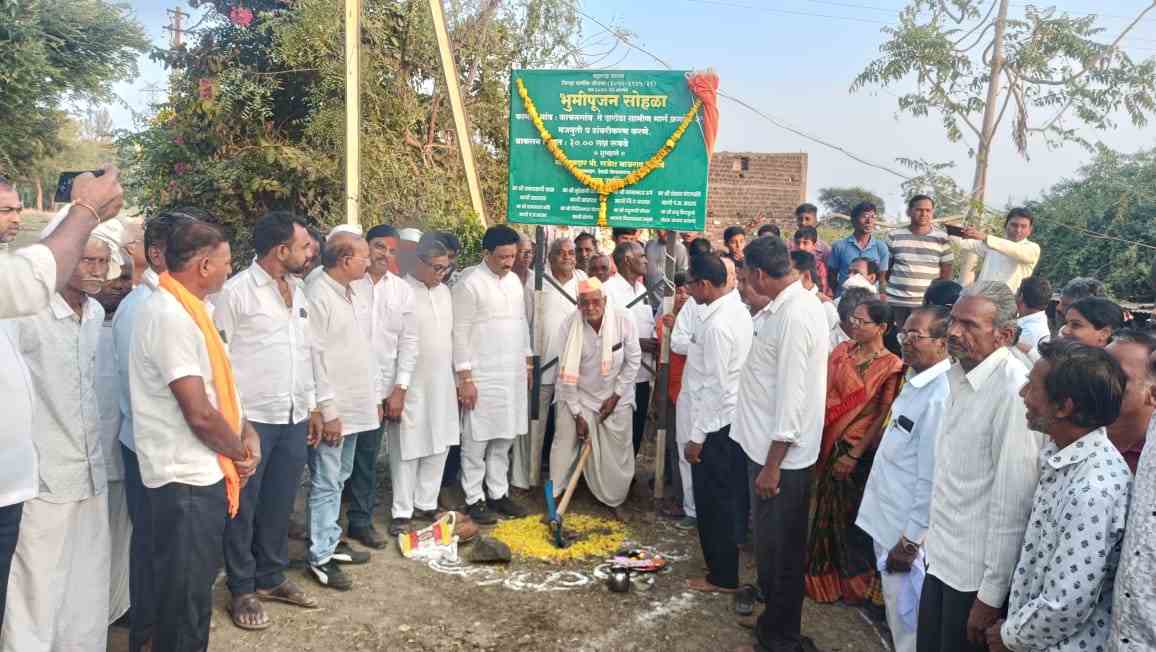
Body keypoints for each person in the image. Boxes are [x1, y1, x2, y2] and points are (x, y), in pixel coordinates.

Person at [129, 220, 260, 651]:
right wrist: (239, 451)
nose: (230, 269)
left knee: (190, 591)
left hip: (202, 472)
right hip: (183, 479)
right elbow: (200, 414)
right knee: (184, 601)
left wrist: (246, 430)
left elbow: (220, 390)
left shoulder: (194, 309)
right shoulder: (169, 315)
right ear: (204, 265)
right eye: (226, 262)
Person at [0, 169, 122, 629]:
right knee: (34, 593)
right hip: (40, 478)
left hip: (89, 470)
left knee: (85, 585)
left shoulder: (95, 314)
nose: (95, 270)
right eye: (85, 259)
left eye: (102, 262)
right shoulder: (24, 314)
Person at [917, 281, 1041, 652]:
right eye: (953, 321)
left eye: (969, 325)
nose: (954, 332)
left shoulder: (1013, 391)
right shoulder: (958, 375)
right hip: (940, 558)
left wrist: (990, 596)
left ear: (1004, 335)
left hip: (974, 580)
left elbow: (1013, 505)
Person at [212, 212, 321, 629]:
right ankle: (242, 588)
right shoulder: (236, 293)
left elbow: (306, 353)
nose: (310, 252)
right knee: (243, 508)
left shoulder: (298, 290)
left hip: (293, 414)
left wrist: (311, 406)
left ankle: (271, 577)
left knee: (280, 502)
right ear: (281, 250)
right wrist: (237, 422)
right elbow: (219, 362)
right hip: (251, 421)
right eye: (304, 246)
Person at [985, 339, 1129, 652]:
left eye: (1032, 387)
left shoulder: (1093, 489)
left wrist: (1010, 636)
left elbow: (1065, 603)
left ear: (1064, 407)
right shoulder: (1061, 455)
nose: (1022, 394)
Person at [730, 236, 830, 651]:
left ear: (757, 273)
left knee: (783, 553)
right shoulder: (783, 307)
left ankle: (782, 638)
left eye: (744, 276)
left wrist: (773, 465)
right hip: (767, 452)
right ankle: (773, 626)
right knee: (771, 551)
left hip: (782, 461)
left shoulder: (795, 315)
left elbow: (793, 397)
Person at [111, 209, 199, 652]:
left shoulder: (183, 303)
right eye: (192, 249)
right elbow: (141, 396)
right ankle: (146, 636)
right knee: (154, 551)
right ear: (159, 254)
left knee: (173, 555)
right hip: (153, 451)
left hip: (177, 450)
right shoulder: (144, 307)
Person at [856, 305, 952, 652]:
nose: (906, 342)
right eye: (904, 334)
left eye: (916, 336)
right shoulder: (915, 381)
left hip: (905, 535)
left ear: (942, 343)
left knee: (910, 625)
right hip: (888, 521)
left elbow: (932, 477)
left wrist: (911, 541)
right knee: (898, 619)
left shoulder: (940, 396)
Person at [805, 298, 903, 604]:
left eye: (862, 321)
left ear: (882, 328)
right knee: (820, 510)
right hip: (824, 437)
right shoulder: (842, 351)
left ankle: (843, 582)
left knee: (841, 517)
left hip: (852, 449)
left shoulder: (891, 366)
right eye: (853, 319)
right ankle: (817, 575)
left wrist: (854, 454)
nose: (854, 325)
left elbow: (882, 414)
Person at [304, 232, 380, 590]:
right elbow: (314, 357)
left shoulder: (354, 290)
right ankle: (319, 556)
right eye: (364, 256)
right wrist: (327, 409)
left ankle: (331, 541)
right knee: (326, 478)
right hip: (334, 408)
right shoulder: (318, 293)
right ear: (345, 260)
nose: (370, 261)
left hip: (356, 403)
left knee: (341, 475)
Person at [681, 254, 754, 594]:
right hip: (727, 421)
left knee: (714, 501)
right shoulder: (733, 310)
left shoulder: (717, 325)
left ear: (705, 285)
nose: (688, 290)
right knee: (726, 497)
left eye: (691, 284)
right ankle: (724, 564)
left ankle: (722, 575)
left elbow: (716, 387)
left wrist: (697, 437)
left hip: (716, 426)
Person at [453, 225, 532, 524]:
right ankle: (474, 498)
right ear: (486, 253)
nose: (509, 262)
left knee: (504, 437)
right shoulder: (469, 284)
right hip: (481, 376)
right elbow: (459, 334)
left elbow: (522, 324)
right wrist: (465, 378)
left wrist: (527, 364)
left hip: (511, 374)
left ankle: (498, 493)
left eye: (513, 256)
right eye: (502, 257)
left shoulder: (514, 282)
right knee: (477, 441)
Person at [348, 224, 418, 542]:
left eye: (392, 251)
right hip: (345, 388)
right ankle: (325, 527)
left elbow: (409, 342)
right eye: (379, 247)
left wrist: (399, 388)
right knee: (333, 463)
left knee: (367, 457)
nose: (385, 255)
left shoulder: (402, 291)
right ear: (366, 247)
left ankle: (360, 521)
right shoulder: (348, 284)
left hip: (381, 390)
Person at [551, 277, 642, 515]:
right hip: (578, 395)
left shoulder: (624, 319)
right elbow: (566, 375)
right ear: (578, 304)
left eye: (595, 301)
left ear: (605, 300)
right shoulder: (568, 326)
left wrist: (616, 396)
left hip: (616, 395)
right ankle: (555, 498)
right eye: (585, 303)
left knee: (618, 450)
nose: (590, 307)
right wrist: (577, 414)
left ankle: (615, 499)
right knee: (563, 443)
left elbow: (633, 361)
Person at [391, 237, 460, 531]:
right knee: (407, 447)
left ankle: (426, 503)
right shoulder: (400, 291)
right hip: (410, 383)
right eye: (436, 268)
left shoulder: (445, 292)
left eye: (445, 268)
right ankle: (402, 511)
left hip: (442, 381)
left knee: (439, 443)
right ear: (419, 263)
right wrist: (397, 387)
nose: (441, 274)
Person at [515, 237, 587, 491]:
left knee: (566, 428)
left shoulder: (582, 280)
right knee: (534, 423)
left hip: (571, 368)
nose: (567, 257)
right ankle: (526, 477)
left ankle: (561, 481)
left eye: (571, 253)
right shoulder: (537, 280)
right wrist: (527, 362)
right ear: (550, 256)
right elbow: (523, 322)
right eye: (561, 252)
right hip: (541, 363)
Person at [94, 246, 133, 627]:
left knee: (120, 534)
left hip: (121, 454)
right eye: (113, 277)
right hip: (78, 461)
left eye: (125, 278)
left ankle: (117, 607)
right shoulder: (78, 321)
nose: (120, 285)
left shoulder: (133, 320)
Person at [603, 241, 658, 456]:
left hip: (642, 374)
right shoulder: (609, 290)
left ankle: (629, 470)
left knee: (636, 430)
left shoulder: (642, 289)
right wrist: (637, 343)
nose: (646, 260)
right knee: (616, 432)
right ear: (627, 260)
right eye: (641, 256)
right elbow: (603, 330)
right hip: (619, 375)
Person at [884, 195, 953, 329]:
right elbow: (886, 269)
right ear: (909, 212)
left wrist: (935, 300)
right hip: (896, 302)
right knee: (895, 337)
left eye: (928, 210)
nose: (924, 214)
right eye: (919, 210)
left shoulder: (942, 238)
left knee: (919, 337)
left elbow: (946, 273)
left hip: (926, 305)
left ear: (932, 212)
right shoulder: (894, 236)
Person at [1104, 329, 1155, 473]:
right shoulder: (1068, 432)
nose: (1098, 379)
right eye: (1097, 368)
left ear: (1153, 394)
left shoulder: (1151, 456)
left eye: (1117, 376)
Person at [953, 207, 1040, 291]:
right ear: (1005, 225)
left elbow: (1017, 251)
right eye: (1014, 225)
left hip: (1009, 300)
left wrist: (986, 237)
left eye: (1023, 226)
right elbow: (962, 242)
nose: (1018, 230)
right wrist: (951, 228)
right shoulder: (991, 244)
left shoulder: (1032, 248)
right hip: (982, 296)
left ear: (1030, 230)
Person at [828, 201, 889, 294]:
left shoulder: (881, 247)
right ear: (853, 221)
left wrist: (882, 297)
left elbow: (882, 279)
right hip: (844, 298)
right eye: (864, 216)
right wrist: (838, 296)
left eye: (872, 217)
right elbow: (832, 276)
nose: (869, 221)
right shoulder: (839, 246)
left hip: (870, 299)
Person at [790, 251, 838, 333]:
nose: (783, 279)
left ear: (806, 276)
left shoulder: (825, 307)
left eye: (789, 274)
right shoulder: (790, 299)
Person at [1013, 276, 1052, 361]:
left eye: (1017, 291)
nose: (1014, 295)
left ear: (1021, 296)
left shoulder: (1027, 331)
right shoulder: (1035, 323)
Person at [793, 226, 830, 296]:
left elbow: (822, 289)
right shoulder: (788, 264)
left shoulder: (819, 266)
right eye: (797, 243)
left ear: (814, 245)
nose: (801, 247)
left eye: (805, 243)